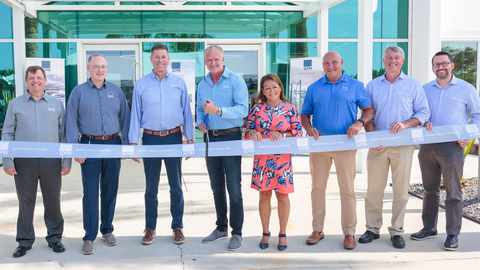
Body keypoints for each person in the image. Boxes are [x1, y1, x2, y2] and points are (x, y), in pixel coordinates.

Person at [300, 51, 374, 250]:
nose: (330, 66)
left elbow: (369, 110)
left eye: (334, 62)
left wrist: (359, 123)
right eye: (326, 63)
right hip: (320, 144)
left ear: (341, 62)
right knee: (317, 189)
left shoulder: (356, 85)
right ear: (322, 65)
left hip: (346, 145)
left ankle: (349, 232)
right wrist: (308, 128)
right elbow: (304, 114)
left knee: (347, 190)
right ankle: (317, 229)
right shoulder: (314, 88)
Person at [360, 45, 430, 249]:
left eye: (396, 57)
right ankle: (372, 229)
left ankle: (397, 230)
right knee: (374, 189)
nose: (392, 60)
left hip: (403, 145)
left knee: (400, 190)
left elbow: (423, 113)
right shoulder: (372, 85)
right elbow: (367, 114)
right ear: (384, 61)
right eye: (388, 57)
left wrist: (405, 124)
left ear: (403, 60)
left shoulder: (413, 85)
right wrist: (373, 138)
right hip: (378, 146)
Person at [410, 51, 480, 251]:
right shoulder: (424, 90)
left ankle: (452, 234)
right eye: (436, 65)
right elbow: (417, 114)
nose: (440, 67)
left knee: (453, 192)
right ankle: (429, 227)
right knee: (429, 190)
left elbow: (477, 114)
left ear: (452, 65)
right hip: (427, 146)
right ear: (432, 68)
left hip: (452, 147)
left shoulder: (466, 89)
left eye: (444, 63)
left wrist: (469, 135)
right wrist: (422, 123)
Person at [2, 66, 71, 258]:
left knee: (53, 200)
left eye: (39, 78)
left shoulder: (57, 104)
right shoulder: (15, 104)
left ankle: (55, 238)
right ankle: (24, 241)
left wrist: (67, 160)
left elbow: (64, 135)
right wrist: (7, 160)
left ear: (45, 81)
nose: (35, 81)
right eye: (31, 78)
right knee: (25, 201)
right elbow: (7, 133)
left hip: (52, 162)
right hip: (24, 162)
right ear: (26, 82)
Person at [129, 44, 194, 246]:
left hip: (174, 138)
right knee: (151, 187)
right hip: (150, 139)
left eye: (163, 57)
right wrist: (133, 142)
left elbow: (186, 112)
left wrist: (190, 139)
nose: (160, 60)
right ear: (151, 59)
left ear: (168, 59)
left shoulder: (179, 83)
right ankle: (150, 227)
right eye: (156, 57)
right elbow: (135, 115)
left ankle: (177, 226)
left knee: (176, 186)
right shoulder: (140, 85)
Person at [66, 53, 131, 255]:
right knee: (91, 193)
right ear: (88, 69)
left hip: (113, 143)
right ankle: (89, 236)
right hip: (89, 145)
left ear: (106, 68)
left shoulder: (116, 90)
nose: (100, 70)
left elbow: (126, 117)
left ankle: (107, 230)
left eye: (103, 66)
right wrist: (75, 147)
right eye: (96, 67)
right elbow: (70, 120)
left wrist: (126, 144)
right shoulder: (78, 92)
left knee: (110, 190)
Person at [196, 45, 249, 251]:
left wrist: (218, 111)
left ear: (223, 59)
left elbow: (243, 110)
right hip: (210, 139)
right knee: (216, 185)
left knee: (234, 188)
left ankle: (237, 232)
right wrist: (201, 122)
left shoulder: (235, 80)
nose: (213, 63)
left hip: (231, 136)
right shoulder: (203, 84)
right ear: (205, 61)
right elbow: (200, 109)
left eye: (216, 59)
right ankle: (221, 228)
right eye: (209, 60)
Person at [245, 73, 302, 251]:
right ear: (262, 91)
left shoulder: (290, 108)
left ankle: (283, 233)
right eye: (267, 88)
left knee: (282, 196)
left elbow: (299, 133)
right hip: (262, 159)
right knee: (263, 196)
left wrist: (284, 134)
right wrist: (252, 133)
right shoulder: (256, 109)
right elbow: (247, 131)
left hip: (282, 160)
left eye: (274, 86)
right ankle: (265, 232)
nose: (271, 90)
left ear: (280, 88)